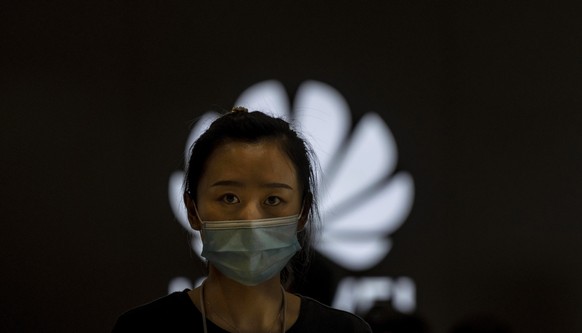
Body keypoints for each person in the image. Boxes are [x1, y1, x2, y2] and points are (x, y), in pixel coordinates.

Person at [113, 107, 372, 332]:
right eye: (229, 198)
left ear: (302, 212)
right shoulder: (143, 328)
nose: (250, 219)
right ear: (193, 211)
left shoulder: (344, 330)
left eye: (272, 200)